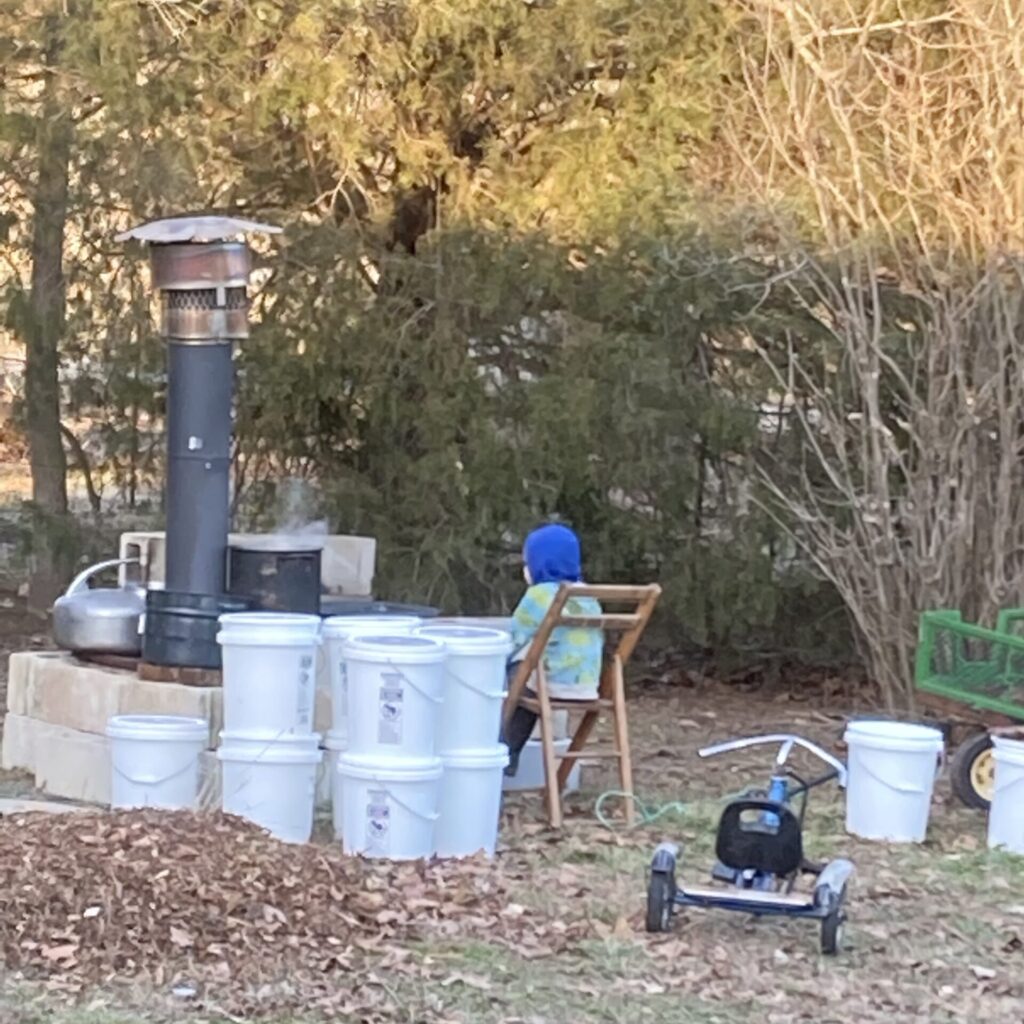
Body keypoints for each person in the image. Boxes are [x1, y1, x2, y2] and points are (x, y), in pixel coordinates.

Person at [501, 523, 603, 776]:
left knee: (518, 674)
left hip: (549, 684)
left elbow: (515, 637)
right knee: (530, 677)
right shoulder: (589, 596)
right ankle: (508, 750)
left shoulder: (539, 596)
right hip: (587, 685)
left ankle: (506, 750)